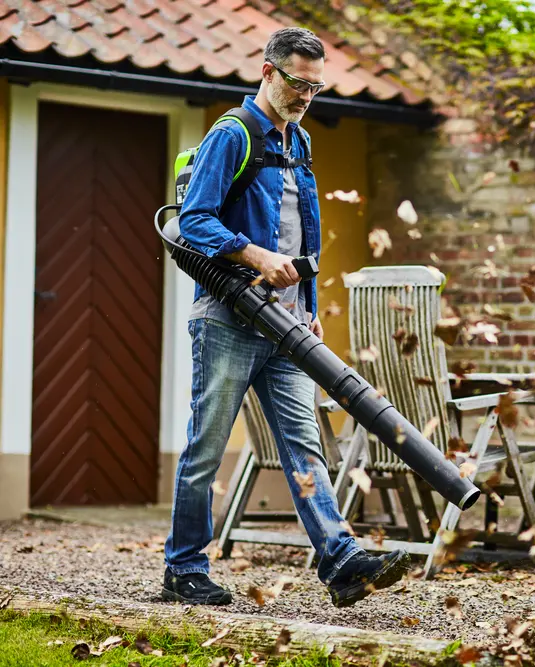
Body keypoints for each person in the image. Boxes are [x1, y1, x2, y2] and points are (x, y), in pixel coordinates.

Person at [161, 27, 409, 607]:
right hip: (228, 318)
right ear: (268, 71)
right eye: (298, 83)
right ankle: (184, 568)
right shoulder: (233, 134)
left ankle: (341, 562)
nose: (306, 96)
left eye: (316, 87)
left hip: (287, 325)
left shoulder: (299, 140)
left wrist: (310, 308)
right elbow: (192, 220)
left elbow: (304, 236)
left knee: (304, 445)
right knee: (206, 448)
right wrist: (254, 255)